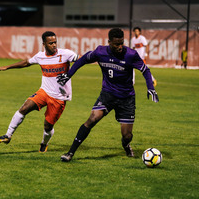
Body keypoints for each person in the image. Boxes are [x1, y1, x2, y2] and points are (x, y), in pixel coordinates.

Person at [57, 28, 159, 162]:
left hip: (126, 98)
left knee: (126, 135)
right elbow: (82, 60)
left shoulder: (130, 54)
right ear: (109, 42)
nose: (120, 47)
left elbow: (145, 70)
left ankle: (126, 145)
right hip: (108, 94)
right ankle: (70, 153)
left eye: (122, 43)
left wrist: (150, 87)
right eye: (116, 44)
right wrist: (69, 75)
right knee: (91, 120)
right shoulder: (100, 52)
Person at [0, 31, 78, 152]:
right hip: (44, 92)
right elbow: (26, 62)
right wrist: (7, 67)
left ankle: (44, 143)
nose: (54, 45)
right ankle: (8, 135)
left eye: (55, 42)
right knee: (24, 108)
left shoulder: (66, 54)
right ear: (44, 44)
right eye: (51, 43)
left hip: (59, 97)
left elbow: (80, 60)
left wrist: (69, 74)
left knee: (48, 126)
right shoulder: (40, 56)